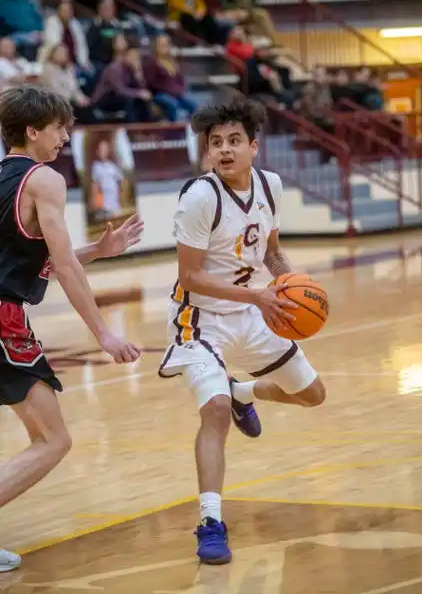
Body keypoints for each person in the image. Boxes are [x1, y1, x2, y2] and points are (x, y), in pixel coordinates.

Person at [158, 96, 326, 565]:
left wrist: (289, 287)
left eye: (234, 141)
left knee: (314, 395)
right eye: (216, 143)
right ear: (208, 152)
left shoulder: (270, 186)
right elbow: (189, 277)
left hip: (254, 314)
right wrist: (258, 296)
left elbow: (271, 253)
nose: (225, 150)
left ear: (254, 146)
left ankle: (244, 393)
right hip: (201, 320)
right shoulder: (199, 197)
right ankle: (211, 522)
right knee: (212, 412)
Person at [0, 84, 143, 571]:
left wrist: (99, 252)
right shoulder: (44, 181)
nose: (65, 136)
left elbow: (27, 259)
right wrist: (104, 333)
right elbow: (61, 264)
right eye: (60, 127)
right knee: (53, 439)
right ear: (32, 130)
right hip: (2, 320)